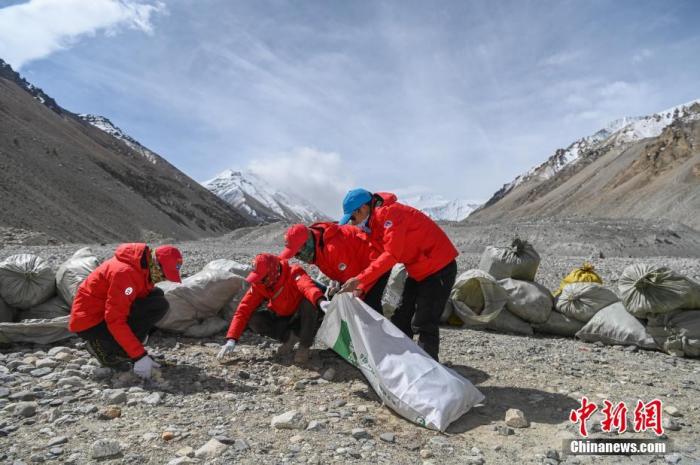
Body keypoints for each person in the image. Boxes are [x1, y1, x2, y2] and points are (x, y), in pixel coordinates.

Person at [338, 189, 458, 361]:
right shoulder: (373, 225)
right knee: (402, 316)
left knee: (426, 320)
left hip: (439, 267)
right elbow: (377, 258)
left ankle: (430, 369)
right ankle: (403, 362)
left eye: (353, 218)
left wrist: (358, 280)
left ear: (363, 209)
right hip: (418, 270)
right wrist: (361, 286)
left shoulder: (391, 214)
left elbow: (391, 255)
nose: (353, 222)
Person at [69, 243, 183, 379]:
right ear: (156, 265)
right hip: (90, 323)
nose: (163, 279)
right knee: (155, 304)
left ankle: (123, 349)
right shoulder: (125, 274)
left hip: (102, 314)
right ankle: (102, 347)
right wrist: (139, 356)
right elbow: (115, 319)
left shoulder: (141, 267)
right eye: (164, 275)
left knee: (156, 299)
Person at [217, 253, 326, 364]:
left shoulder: (293, 272)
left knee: (309, 303)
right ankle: (290, 338)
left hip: (301, 316)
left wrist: (320, 301)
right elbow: (243, 309)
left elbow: (307, 287)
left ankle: (304, 345)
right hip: (282, 317)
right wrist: (232, 339)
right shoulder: (260, 284)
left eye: (262, 278)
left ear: (273, 271)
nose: (259, 281)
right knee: (255, 320)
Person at [278, 222, 390, 314]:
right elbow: (342, 274)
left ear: (307, 244)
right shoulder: (318, 247)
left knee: (369, 309)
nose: (299, 258)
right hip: (359, 271)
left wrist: (350, 306)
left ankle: (385, 337)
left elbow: (355, 281)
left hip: (374, 267)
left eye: (297, 253)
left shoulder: (332, 249)